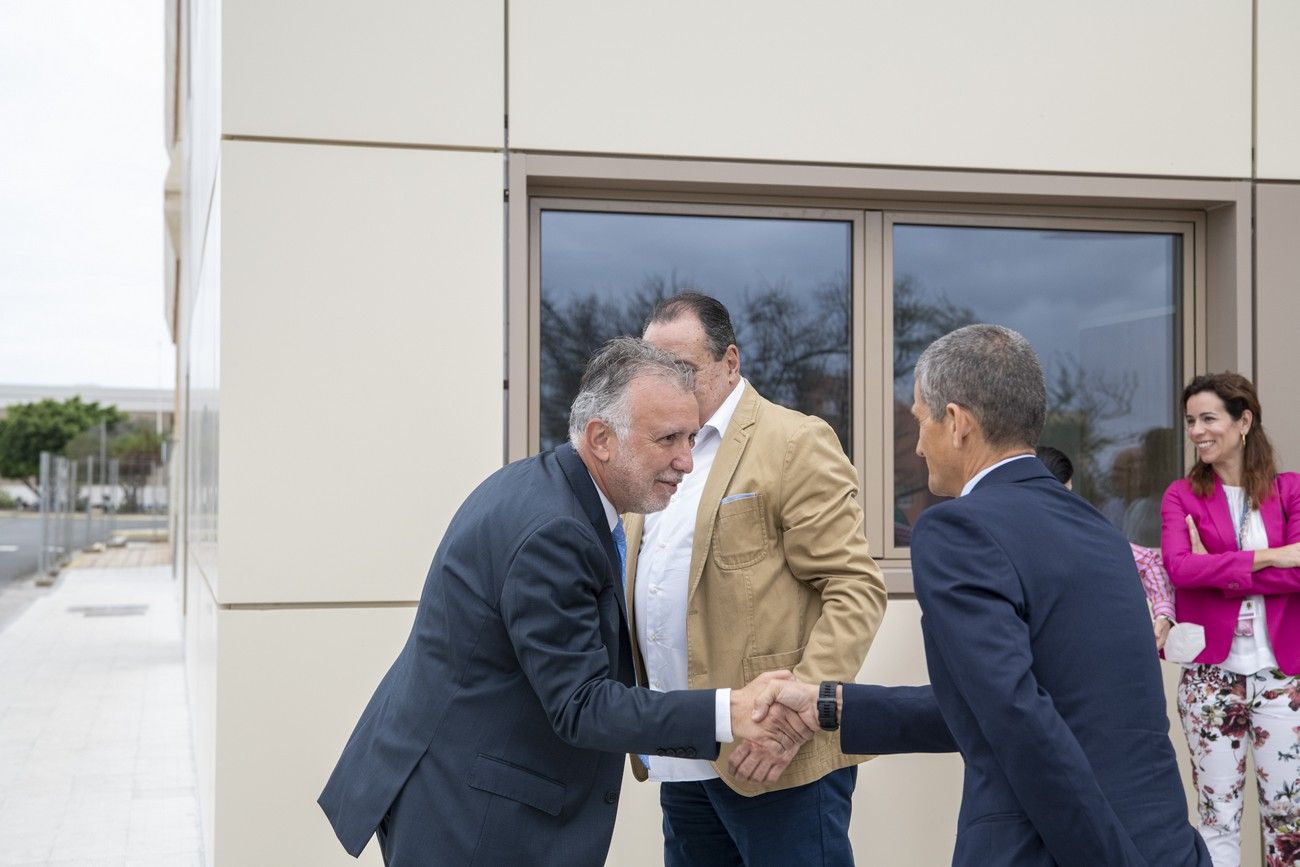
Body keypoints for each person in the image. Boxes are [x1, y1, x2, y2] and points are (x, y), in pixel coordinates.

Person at [318, 339, 808, 867]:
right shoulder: (556, 532)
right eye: (668, 439)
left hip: (461, 789)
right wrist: (728, 710)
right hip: (474, 817)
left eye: (690, 437)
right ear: (601, 439)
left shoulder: (544, 487)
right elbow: (582, 705)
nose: (686, 461)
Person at [737, 324, 1210, 866]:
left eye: (920, 420)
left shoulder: (957, 529)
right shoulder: (1098, 528)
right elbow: (1005, 704)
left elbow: (1017, 719)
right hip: (1167, 844)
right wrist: (828, 704)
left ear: (957, 423)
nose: (917, 444)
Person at [625, 293, 887, 865]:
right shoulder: (654, 456)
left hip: (776, 761)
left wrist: (797, 719)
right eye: (653, 372)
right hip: (686, 758)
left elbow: (855, 588)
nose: (667, 386)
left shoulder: (792, 442)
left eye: (684, 371)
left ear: (731, 362)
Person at [1160, 372, 1300, 867]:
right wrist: (1274, 557)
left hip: (1284, 679)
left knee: (1290, 824)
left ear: (1243, 422)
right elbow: (1179, 568)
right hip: (1211, 679)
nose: (1197, 430)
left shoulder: (1290, 492)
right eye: (1190, 421)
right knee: (1216, 818)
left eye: (1208, 418)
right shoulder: (1182, 495)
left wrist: (1218, 568)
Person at [1035, 444, 1175, 649]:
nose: (1066, 504)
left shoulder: (1082, 532)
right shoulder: (1002, 538)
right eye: (1059, 496)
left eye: (1069, 495)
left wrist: (1163, 615)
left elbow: (1147, 561)